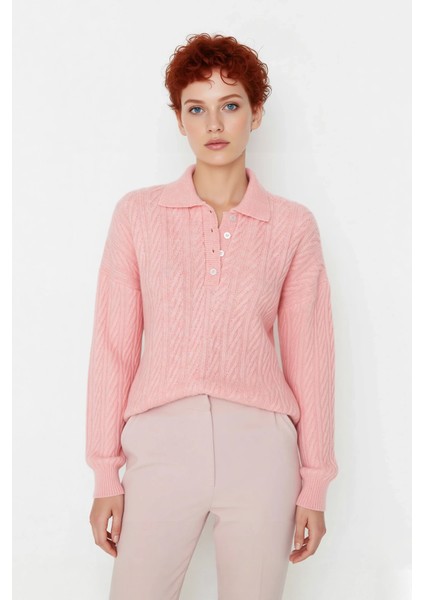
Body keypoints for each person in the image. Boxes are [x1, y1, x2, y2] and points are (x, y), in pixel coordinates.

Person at [85, 33, 339, 600]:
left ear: (256, 113)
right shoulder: (137, 215)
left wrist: (315, 483)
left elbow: (311, 359)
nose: (214, 124)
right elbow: (113, 347)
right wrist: (105, 473)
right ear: (179, 120)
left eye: (230, 105)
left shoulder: (292, 226)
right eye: (196, 109)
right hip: (160, 442)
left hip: (262, 449)